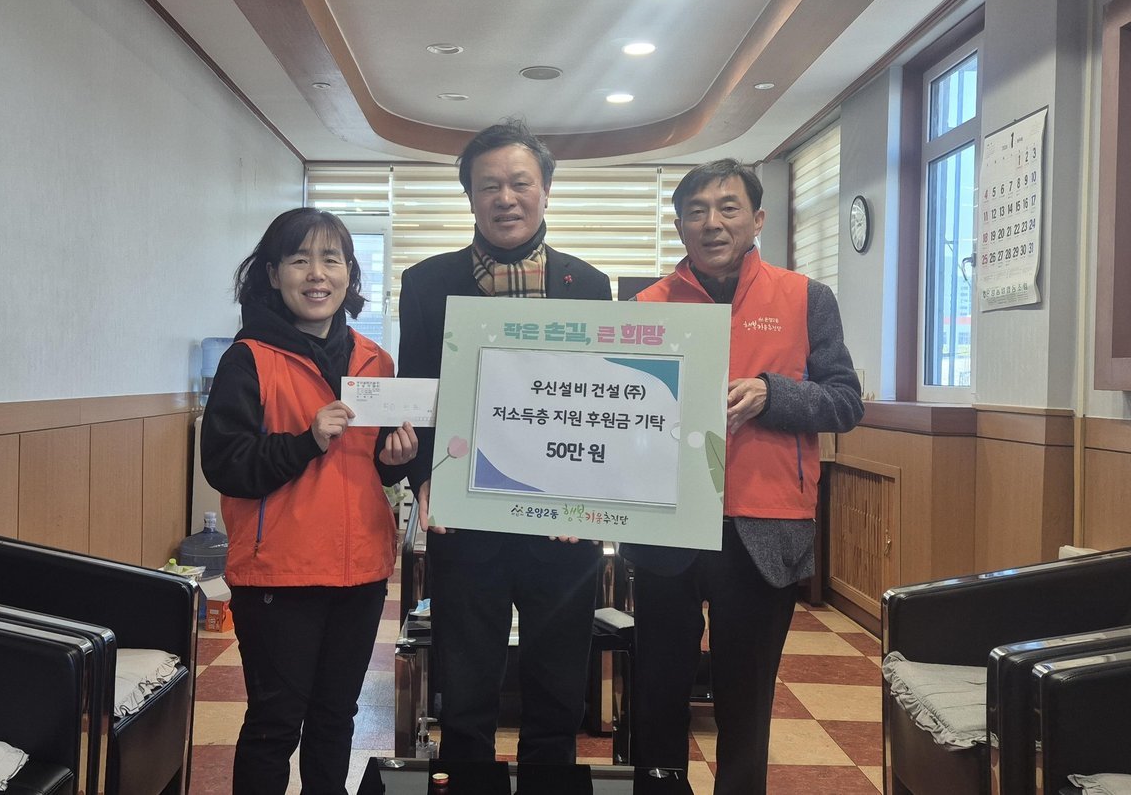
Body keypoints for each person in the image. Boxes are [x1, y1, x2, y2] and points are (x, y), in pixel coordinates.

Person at [622, 159, 864, 794]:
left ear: (757, 219)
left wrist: (771, 393)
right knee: (657, 690)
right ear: (679, 225)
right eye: (696, 211)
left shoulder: (806, 297)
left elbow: (845, 402)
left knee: (746, 697)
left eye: (728, 208)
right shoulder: (646, 305)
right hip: (667, 522)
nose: (712, 222)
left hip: (765, 524)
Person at [397, 120, 612, 763]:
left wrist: (590, 495)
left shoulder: (589, 283)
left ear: (546, 190)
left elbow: (599, 399)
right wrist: (425, 479)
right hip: (467, 515)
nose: (506, 198)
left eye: (521, 183)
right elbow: (417, 391)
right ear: (469, 196)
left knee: (557, 687)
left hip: (561, 520)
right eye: (489, 185)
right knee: (465, 687)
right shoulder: (427, 283)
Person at [201, 208, 417, 795]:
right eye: (299, 260)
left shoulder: (376, 360)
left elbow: (369, 464)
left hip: (361, 569)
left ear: (349, 274)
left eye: (331, 259)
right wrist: (305, 441)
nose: (316, 274)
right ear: (273, 275)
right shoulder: (248, 358)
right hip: (280, 571)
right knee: (274, 724)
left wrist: (394, 458)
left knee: (335, 717)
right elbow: (226, 465)